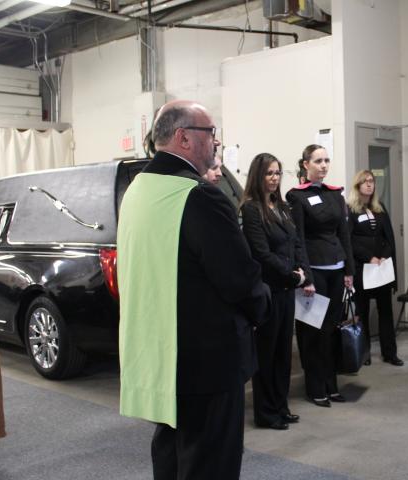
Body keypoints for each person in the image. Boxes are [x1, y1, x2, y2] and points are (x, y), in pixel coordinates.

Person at [116, 100, 269, 480]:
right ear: (184, 137)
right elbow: (240, 280)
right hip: (207, 362)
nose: (216, 143)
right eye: (211, 133)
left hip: (159, 356)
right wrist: (263, 305)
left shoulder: (138, 190)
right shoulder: (198, 196)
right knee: (209, 463)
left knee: (171, 456)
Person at [240, 153, 313, 431]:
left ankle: (281, 406)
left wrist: (302, 270)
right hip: (269, 291)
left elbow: (295, 243)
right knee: (267, 355)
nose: (274, 179)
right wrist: (291, 273)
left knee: (284, 352)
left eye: (277, 173)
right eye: (269, 173)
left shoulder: (282, 206)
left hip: (287, 290)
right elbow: (260, 252)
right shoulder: (251, 209)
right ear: (258, 176)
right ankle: (266, 412)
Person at [286, 144, 354, 407]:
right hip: (314, 272)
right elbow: (298, 239)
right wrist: (308, 277)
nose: (324, 165)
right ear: (306, 165)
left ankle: (331, 384)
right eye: (318, 161)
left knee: (331, 331)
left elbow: (343, 234)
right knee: (312, 333)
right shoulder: (296, 196)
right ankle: (315, 387)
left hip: (336, 270)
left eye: (326, 160)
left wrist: (349, 270)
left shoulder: (335, 194)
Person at [347, 169, 403, 367]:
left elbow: (388, 237)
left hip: (381, 269)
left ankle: (390, 353)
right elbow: (349, 240)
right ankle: (364, 352)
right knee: (361, 310)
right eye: (365, 181)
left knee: (385, 311)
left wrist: (384, 255)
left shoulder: (380, 208)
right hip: (363, 269)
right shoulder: (350, 210)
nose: (369, 184)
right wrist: (368, 257)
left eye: (371, 181)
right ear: (358, 186)